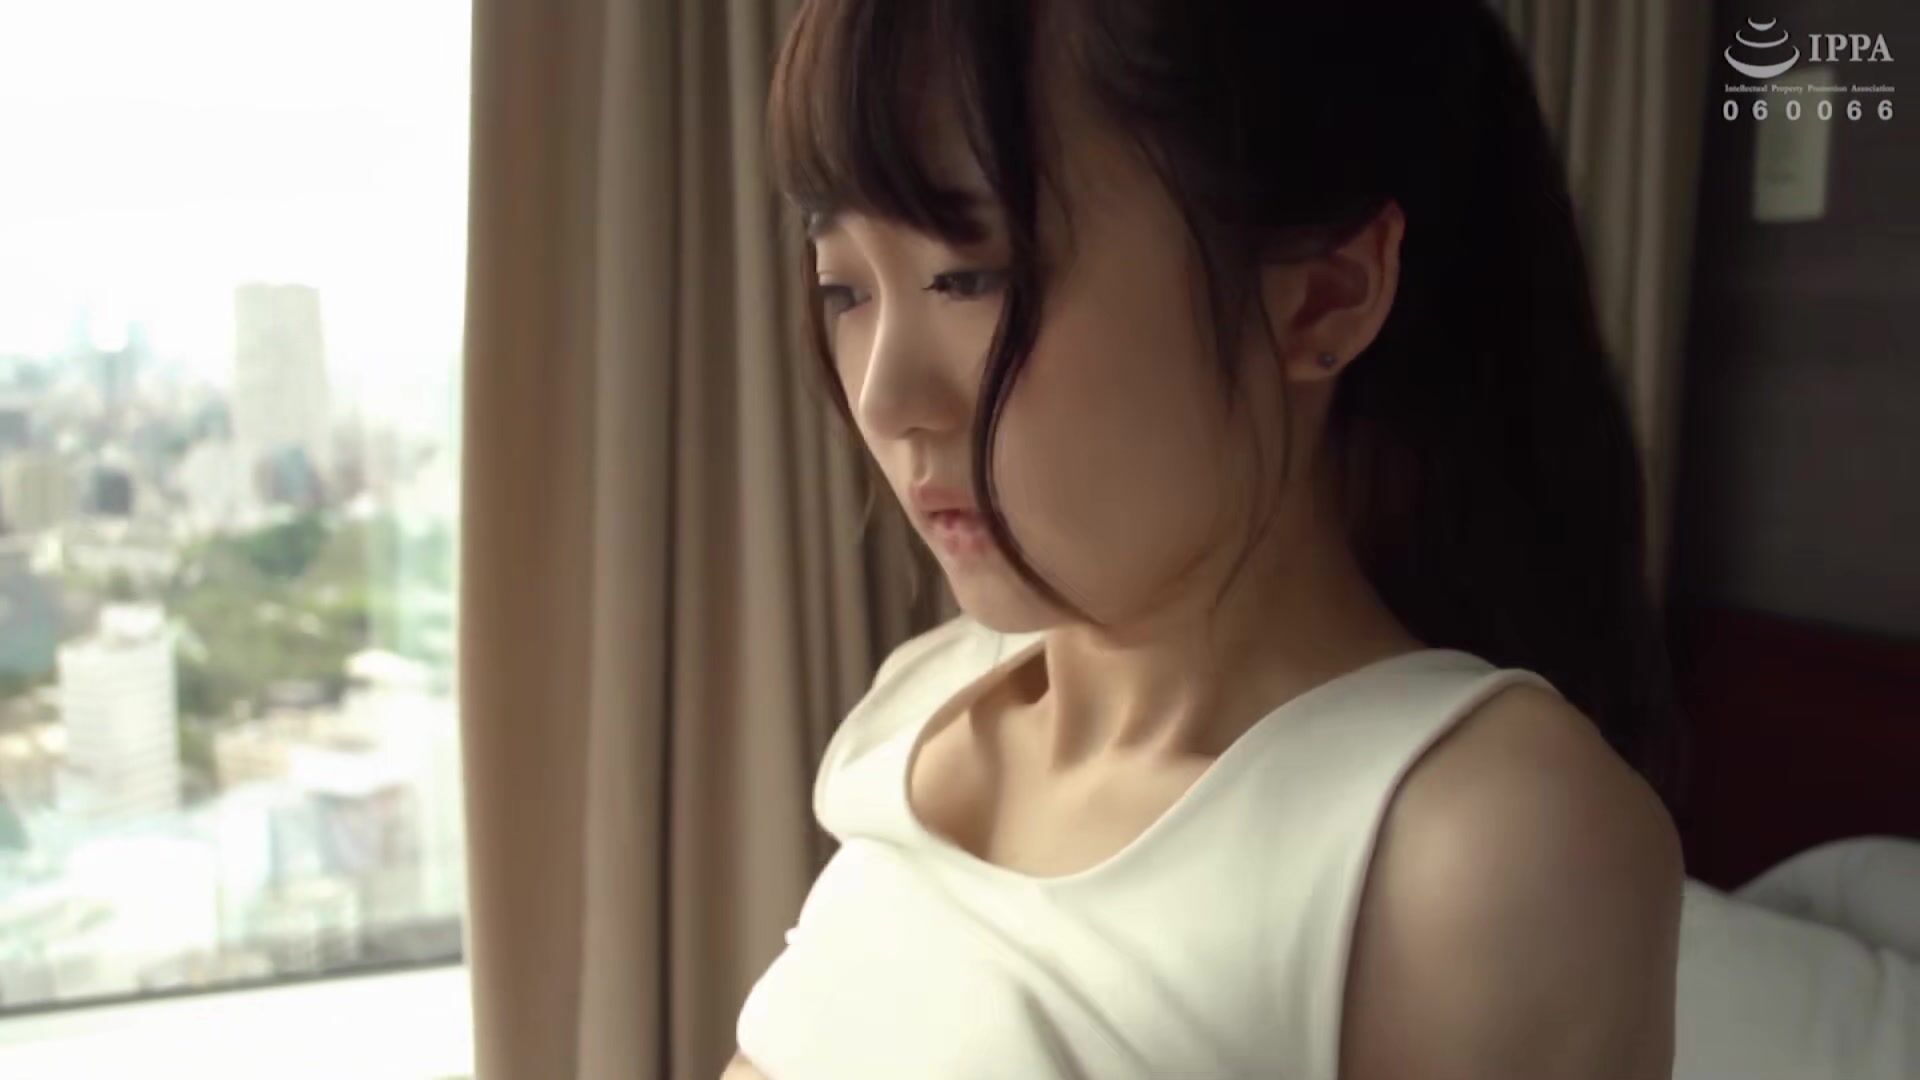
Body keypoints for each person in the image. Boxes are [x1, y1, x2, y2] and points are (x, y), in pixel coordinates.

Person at [726, 0, 1685, 1076]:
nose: (884, 395)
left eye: (970, 278)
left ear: (1322, 299)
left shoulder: (1471, 846)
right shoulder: (927, 697)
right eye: (844, 288)